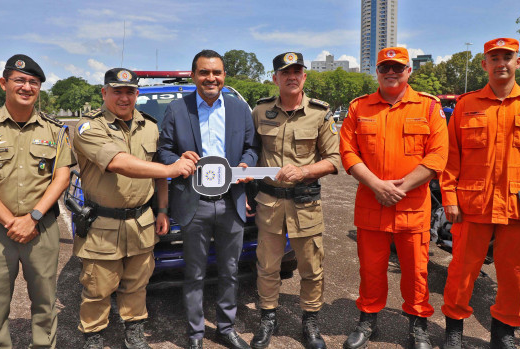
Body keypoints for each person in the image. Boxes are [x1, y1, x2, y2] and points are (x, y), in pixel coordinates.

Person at [72, 68, 195, 349]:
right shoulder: (89, 128)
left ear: (137, 94)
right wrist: (170, 167)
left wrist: (162, 210)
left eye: (130, 91)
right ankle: (93, 336)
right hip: (102, 224)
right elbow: (118, 162)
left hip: (142, 221)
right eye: (117, 91)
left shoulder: (150, 126)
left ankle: (134, 332)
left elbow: (159, 175)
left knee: (137, 284)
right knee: (97, 288)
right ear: (104, 93)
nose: (124, 97)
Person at [339, 47, 448, 349]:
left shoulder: (428, 107)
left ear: (409, 71)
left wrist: (399, 188)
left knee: (416, 272)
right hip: (372, 204)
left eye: (398, 68)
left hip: (412, 207)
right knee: (370, 269)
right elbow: (348, 152)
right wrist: (377, 185)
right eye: (385, 67)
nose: (391, 72)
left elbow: (438, 156)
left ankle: (418, 327)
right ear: (377, 71)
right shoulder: (359, 108)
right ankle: (367, 320)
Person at [0, 54, 76, 348]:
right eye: (20, 80)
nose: (27, 87)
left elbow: (62, 177)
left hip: (41, 227)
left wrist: (34, 217)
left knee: (45, 302)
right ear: (4, 83)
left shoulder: (54, 129)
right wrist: (11, 221)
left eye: (34, 82)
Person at [158, 49, 258, 349]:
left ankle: (226, 328)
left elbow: (252, 148)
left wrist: (246, 165)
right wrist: (177, 158)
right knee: (194, 272)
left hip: (231, 201)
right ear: (194, 76)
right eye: (204, 72)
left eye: (216, 72)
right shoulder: (178, 109)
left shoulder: (240, 109)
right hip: (194, 201)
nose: (210, 78)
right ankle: (196, 334)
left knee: (230, 271)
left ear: (224, 76)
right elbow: (163, 150)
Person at [440, 37, 520, 349]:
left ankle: (503, 333)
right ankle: (454, 329)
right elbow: (451, 157)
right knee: (461, 272)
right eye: (494, 58)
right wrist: (450, 198)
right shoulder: (467, 105)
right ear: (484, 65)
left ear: (518, 62)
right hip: (472, 204)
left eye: (507, 57)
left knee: (515, 274)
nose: (501, 63)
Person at [250, 52, 340, 349]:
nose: (291, 76)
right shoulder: (261, 111)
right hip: (270, 203)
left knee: (312, 267)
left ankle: (311, 321)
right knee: (267, 266)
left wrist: (304, 171)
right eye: (285, 72)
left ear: (304, 77)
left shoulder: (319, 113)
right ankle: (267, 318)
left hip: (305, 203)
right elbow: (249, 153)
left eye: (297, 71)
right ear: (275, 78)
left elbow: (334, 159)